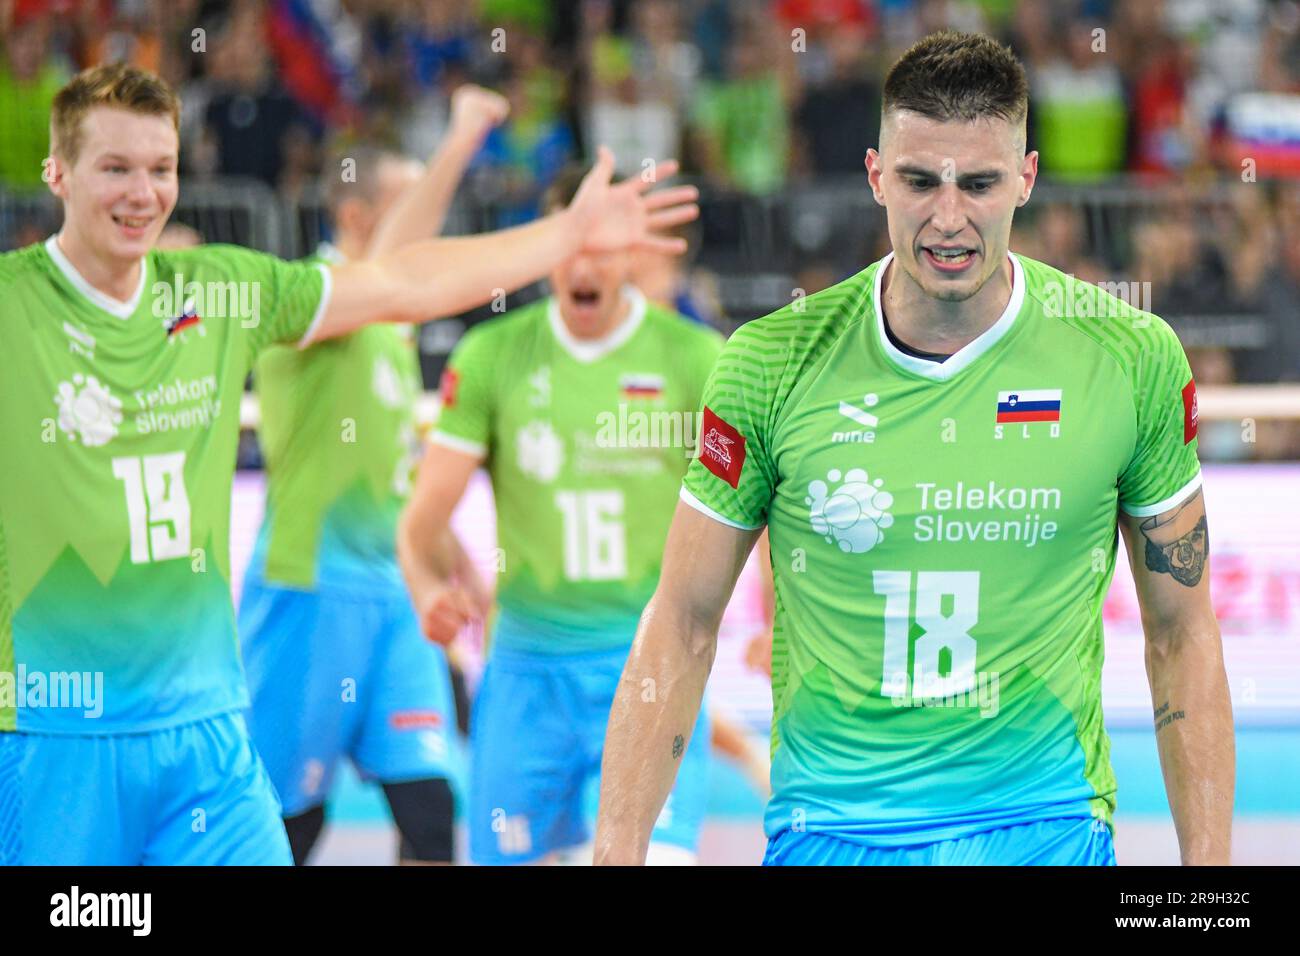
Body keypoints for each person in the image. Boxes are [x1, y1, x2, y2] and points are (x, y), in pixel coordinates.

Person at [0, 62, 696, 866]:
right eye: (114, 168)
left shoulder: (218, 293)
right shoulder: (15, 307)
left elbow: (403, 279)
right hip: (59, 734)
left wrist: (563, 236)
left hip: (206, 733)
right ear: (57, 173)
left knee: (428, 814)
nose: (142, 192)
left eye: (161, 169)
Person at [595, 31, 1234, 867]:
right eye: (919, 181)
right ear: (875, 176)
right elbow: (680, 623)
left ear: (1027, 179)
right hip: (831, 835)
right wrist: (615, 856)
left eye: (979, 183)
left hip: (1044, 832)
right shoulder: (771, 363)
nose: (947, 217)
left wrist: (1209, 887)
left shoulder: (1131, 358)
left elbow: (1180, 633)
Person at [398, 166, 724, 865]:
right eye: (570, 244)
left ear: (632, 253)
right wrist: (430, 591)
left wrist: (780, 621)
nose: (584, 264)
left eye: (602, 248)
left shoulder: (696, 357)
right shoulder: (491, 355)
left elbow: (752, 512)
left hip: (647, 666)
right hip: (526, 678)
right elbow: (422, 521)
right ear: (545, 251)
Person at [238, 86, 508, 866]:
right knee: (292, 826)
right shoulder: (305, 306)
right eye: (408, 203)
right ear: (359, 216)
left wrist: (473, 583)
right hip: (306, 595)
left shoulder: (391, 336)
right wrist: (460, 138)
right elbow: (395, 263)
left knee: (430, 810)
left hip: (391, 600)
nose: (427, 235)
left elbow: (403, 486)